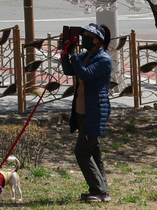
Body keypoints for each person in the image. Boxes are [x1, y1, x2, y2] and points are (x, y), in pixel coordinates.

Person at [60, 22, 112, 203]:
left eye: (90, 37)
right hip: (82, 110)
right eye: (84, 36)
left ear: (99, 40)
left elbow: (85, 74)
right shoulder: (85, 55)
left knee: (81, 152)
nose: (85, 39)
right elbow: (69, 70)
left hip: (95, 111)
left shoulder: (103, 59)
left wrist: (73, 55)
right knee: (94, 152)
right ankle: (102, 190)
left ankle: (98, 190)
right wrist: (65, 51)